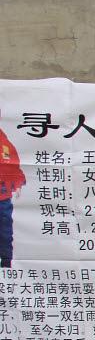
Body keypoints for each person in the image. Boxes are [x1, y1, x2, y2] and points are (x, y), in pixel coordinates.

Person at [0, 115, 26, 268]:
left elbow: (12, 163)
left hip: (2, 196)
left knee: (4, 232)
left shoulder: (3, 141)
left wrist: (17, 181)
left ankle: (6, 263)